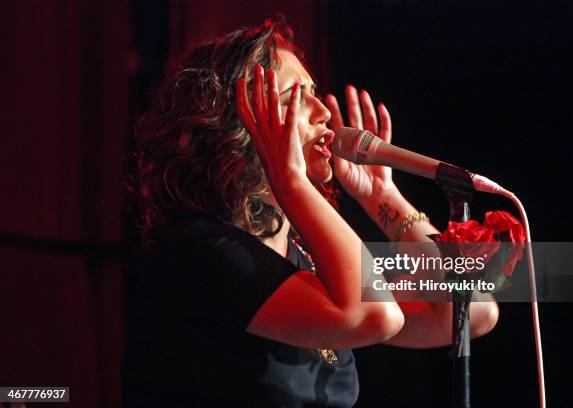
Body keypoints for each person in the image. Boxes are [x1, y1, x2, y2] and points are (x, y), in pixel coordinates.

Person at [121, 16, 498, 407]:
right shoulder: (202, 251)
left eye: (315, 93)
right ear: (236, 126)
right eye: (296, 98)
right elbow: (376, 317)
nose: (322, 112)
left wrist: (381, 196)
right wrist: (291, 180)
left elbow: (468, 312)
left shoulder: (305, 263)